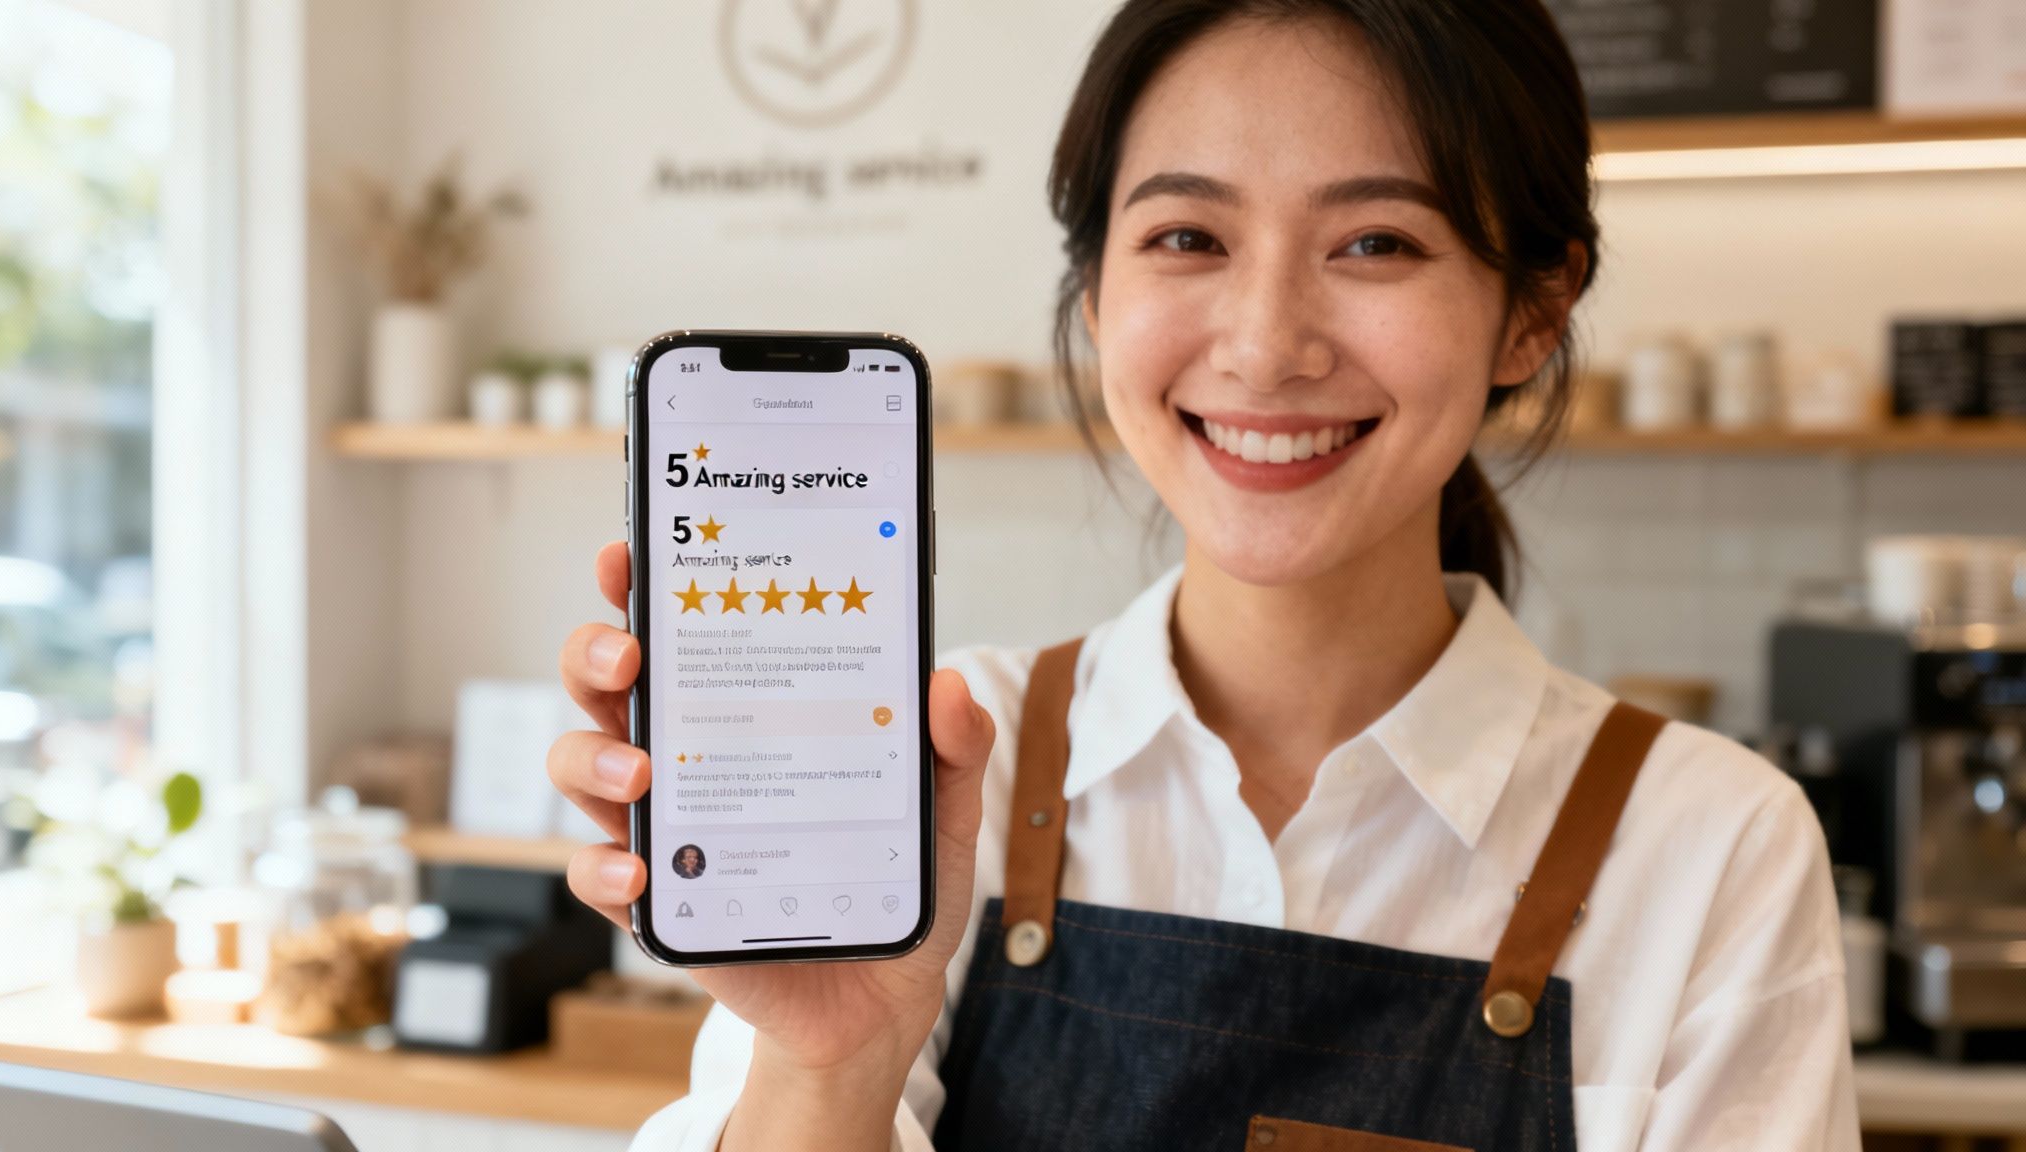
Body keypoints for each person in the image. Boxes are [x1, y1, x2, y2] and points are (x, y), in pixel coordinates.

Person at [549, 1, 1859, 1148]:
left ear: (1534, 308)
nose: (1267, 345)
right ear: (1096, 293)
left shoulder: (1709, 848)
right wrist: (829, 1064)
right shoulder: (942, 765)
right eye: (1188, 236)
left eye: (1376, 243)